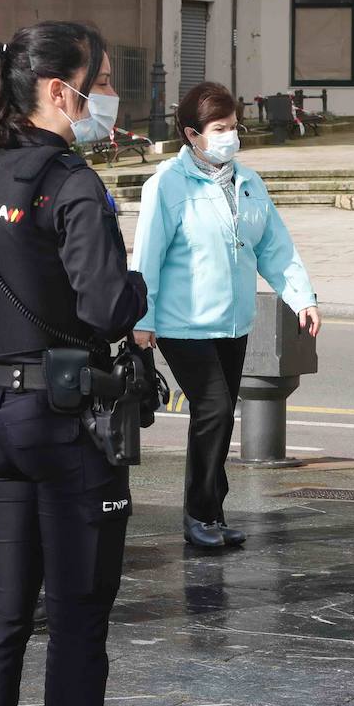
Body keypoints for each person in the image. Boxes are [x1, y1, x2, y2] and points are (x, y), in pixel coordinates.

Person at [0, 21, 147, 706]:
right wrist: (139, 290)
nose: (107, 96)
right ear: (60, 91)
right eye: (103, 81)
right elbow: (106, 307)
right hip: (63, 424)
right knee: (79, 620)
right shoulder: (71, 184)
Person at [130, 81, 321, 548]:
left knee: (220, 412)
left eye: (234, 127)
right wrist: (141, 318)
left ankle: (211, 511)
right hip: (182, 323)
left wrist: (301, 297)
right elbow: (147, 257)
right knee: (213, 409)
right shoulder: (167, 186)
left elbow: (274, 246)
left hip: (233, 323)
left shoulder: (248, 183)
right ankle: (199, 513)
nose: (230, 136)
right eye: (219, 128)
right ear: (192, 134)